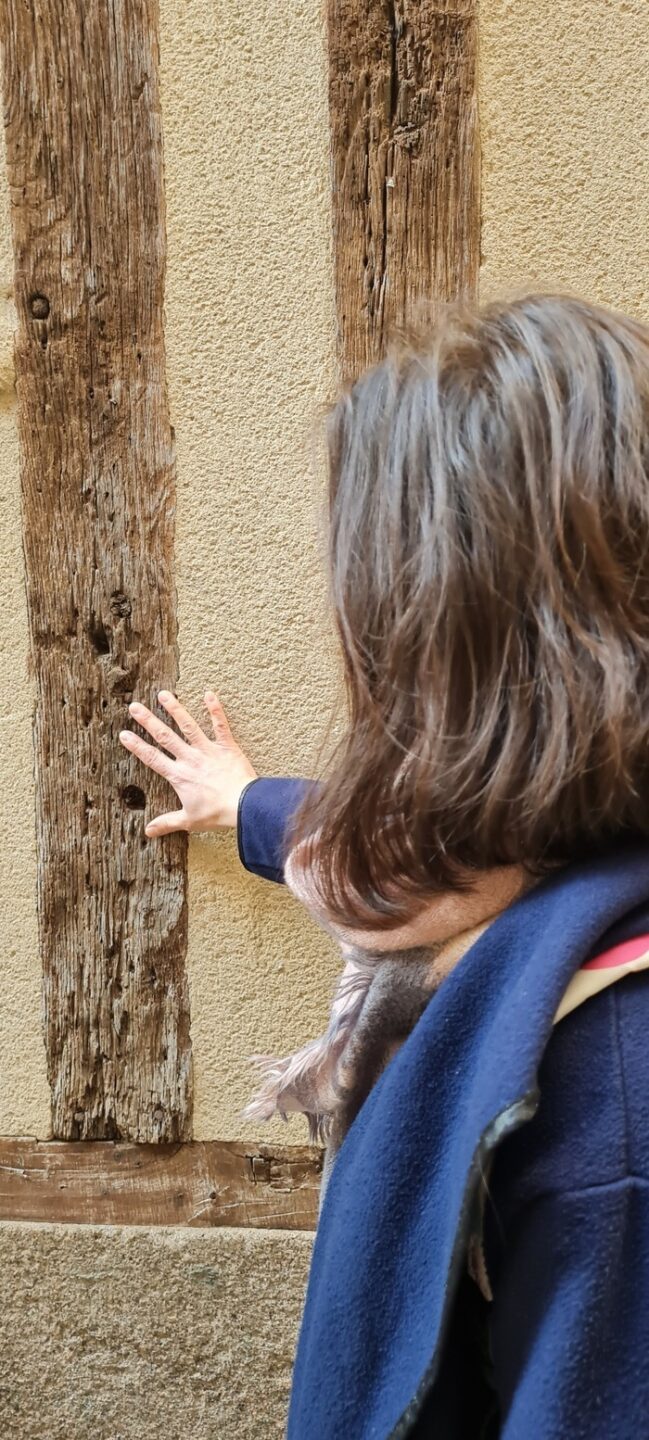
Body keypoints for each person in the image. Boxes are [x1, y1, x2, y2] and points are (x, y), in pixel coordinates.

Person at [119, 294, 649, 1438]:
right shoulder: (539, 867)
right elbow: (372, 856)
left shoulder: (607, 1109)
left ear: (447, 648)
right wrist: (241, 803)